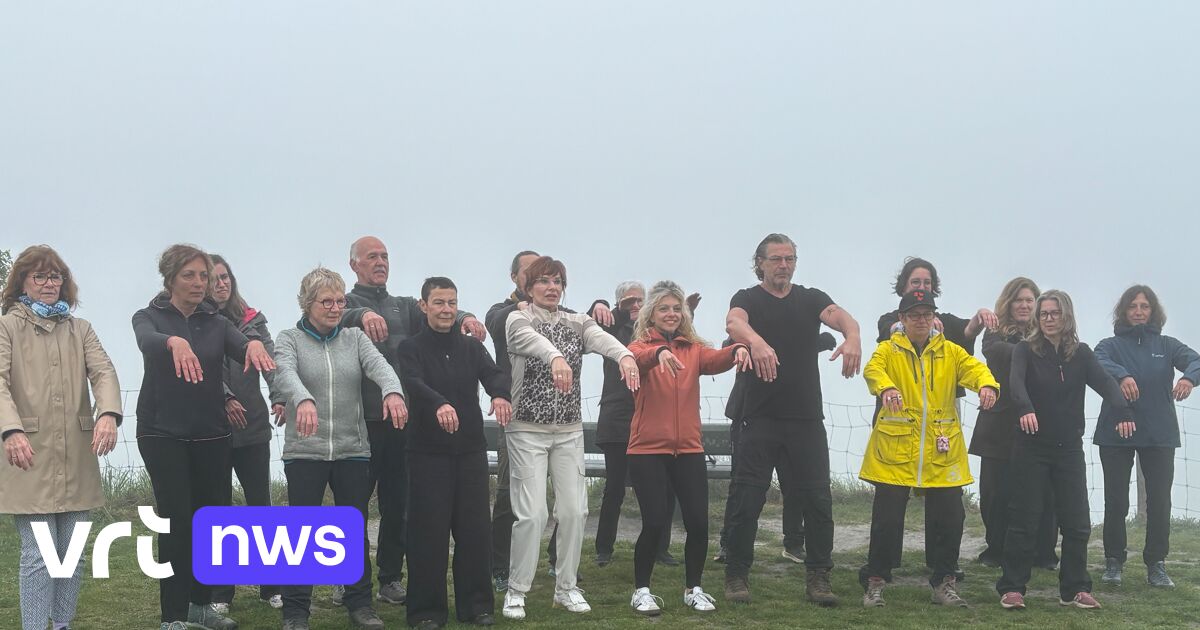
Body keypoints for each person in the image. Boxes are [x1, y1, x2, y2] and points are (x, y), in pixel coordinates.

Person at [132, 243, 275, 630]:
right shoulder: (149, 316)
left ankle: (200, 607)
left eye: (204, 276)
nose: (199, 283)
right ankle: (173, 617)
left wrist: (256, 344)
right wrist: (173, 342)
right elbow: (146, 340)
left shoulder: (217, 321)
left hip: (211, 435)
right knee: (177, 521)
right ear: (170, 279)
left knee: (209, 521)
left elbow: (244, 345)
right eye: (189, 276)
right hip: (163, 433)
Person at [338, 236, 485, 607]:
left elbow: (440, 310)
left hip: (403, 423)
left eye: (385, 256)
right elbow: (339, 314)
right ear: (354, 264)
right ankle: (345, 579)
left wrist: (465, 316)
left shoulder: (404, 305)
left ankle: (390, 578)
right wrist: (361, 315)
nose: (380, 262)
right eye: (372, 257)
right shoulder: (344, 302)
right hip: (362, 420)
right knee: (353, 505)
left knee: (397, 505)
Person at [722, 233, 862, 607]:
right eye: (776, 259)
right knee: (747, 499)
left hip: (804, 419)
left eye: (790, 259)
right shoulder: (747, 298)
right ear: (761, 264)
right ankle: (736, 574)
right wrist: (757, 341)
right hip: (759, 416)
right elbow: (734, 322)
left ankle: (818, 576)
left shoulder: (810, 298)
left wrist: (853, 337)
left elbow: (841, 316)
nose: (784, 265)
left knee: (817, 499)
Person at [500, 256, 639, 620]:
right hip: (526, 430)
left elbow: (602, 339)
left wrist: (625, 357)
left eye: (557, 281)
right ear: (528, 288)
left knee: (575, 511)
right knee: (532, 514)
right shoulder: (518, 319)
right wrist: (557, 357)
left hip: (568, 431)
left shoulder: (577, 321)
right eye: (544, 281)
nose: (552, 287)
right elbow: (532, 342)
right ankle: (517, 591)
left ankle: (566, 588)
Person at [273, 267, 408, 630]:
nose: (334, 308)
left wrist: (392, 391)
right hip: (306, 451)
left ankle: (360, 604)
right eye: (326, 302)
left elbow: (381, 366)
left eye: (339, 301)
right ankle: (296, 611)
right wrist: (302, 399)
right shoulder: (288, 339)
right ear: (307, 304)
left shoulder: (355, 338)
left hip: (352, 449)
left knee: (353, 528)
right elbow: (282, 373)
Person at [0, 245, 122, 630]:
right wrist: (11, 428)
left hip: (77, 457)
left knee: (72, 554)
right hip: (28, 455)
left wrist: (108, 414)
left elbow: (103, 372)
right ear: (22, 281)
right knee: (39, 554)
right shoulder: (6, 327)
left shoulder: (80, 329)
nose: (50, 283)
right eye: (40, 276)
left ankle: (62, 624)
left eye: (56, 277)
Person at [859, 289, 1000, 608]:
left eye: (926, 315)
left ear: (934, 318)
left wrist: (988, 385)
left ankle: (944, 582)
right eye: (914, 315)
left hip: (941, 451)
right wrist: (887, 388)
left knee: (950, 518)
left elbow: (974, 369)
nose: (921, 321)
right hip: (894, 451)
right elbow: (872, 372)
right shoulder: (887, 350)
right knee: (887, 520)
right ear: (902, 319)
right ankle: (876, 582)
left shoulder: (950, 351)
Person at [996, 290, 1133, 611]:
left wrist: (1123, 411)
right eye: (1043, 313)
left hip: (1068, 449)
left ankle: (1075, 589)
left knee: (1077, 522)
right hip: (1031, 446)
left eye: (1054, 313)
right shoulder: (1025, 351)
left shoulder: (1081, 354)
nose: (1048, 318)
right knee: (1024, 520)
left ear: (1066, 316)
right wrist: (1025, 408)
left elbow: (1106, 383)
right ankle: (1013, 587)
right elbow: (1016, 385)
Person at [625, 281, 752, 616]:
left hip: (689, 450)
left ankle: (693, 588)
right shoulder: (638, 346)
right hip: (647, 450)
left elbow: (715, 359)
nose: (671, 314)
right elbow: (636, 359)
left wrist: (738, 348)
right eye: (664, 308)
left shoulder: (693, 349)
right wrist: (659, 353)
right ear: (652, 313)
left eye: (676, 308)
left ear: (684, 314)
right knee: (654, 522)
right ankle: (641, 590)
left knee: (698, 522)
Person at [397, 277, 513, 629]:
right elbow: (413, 383)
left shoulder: (471, 348)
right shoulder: (410, 347)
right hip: (427, 452)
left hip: (470, 452)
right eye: (438, 303)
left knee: (475, 531)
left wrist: (499, 394)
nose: (446, 310)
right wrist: (440, 403)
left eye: (451, 303)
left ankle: (477, 607)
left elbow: (494, 374)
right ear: (424, 306)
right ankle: (426, 612)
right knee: (428, 534)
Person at [1095, 285, 1199, 588]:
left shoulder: (1167, 345)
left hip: (1159, 432)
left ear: (1153, 311)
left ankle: (1156, 563)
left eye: (1144, 306)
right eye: (1133, 306)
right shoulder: (1109, 346)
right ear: (1123, 311)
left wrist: (1190, 378)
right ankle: (1113, 561)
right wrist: (1122, 375)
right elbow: (1097, 363)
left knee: (1159, 501)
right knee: (1116, 500)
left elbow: (1196, 360)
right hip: (1116, 430)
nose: (1139, 311)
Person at [715, 332, 834, 565]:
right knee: (742, 485)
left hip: (791, 417)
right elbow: (729, 345)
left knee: (795, 485)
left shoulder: (795, 329)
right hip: (750, 414)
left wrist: (817, 341)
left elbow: (817, 342)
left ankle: (794, 543)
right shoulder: (745, 333)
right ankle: (729, 544)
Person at [208, 254, 283, 613]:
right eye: (213, 279)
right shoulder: (195, 321)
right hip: (211, 430)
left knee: (261, 506)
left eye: (225, 277)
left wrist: (281, 397)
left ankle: (271, 587)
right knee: (219, 510)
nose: (220, 284)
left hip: (253, 427)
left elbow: (271, 364)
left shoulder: (254, 320)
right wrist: (224, 397)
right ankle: (221, 592)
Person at [968, 278, 1059, 569]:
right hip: (999, 423)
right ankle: (996, 549)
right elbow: (995, 353)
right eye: (1018, 300)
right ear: (1008, 303)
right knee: (996, 492)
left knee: (1042, 490)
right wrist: (1031, 350)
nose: (1024, 305)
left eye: (1030, 300)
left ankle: (1043, 552)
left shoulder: (1048, 333)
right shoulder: (995, 334)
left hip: (1037, 421)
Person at [590, 281, 676, 568]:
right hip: (617, 418)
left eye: (640, 301)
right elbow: (595, 319)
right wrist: (599, 303)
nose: (636, 306)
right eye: (628, 302)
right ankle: (604, 548)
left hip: (652, 416)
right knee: (614, 487)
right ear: (618, 305)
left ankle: (661, 548)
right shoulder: (612, 329)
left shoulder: (654, 331)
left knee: (661, 487)